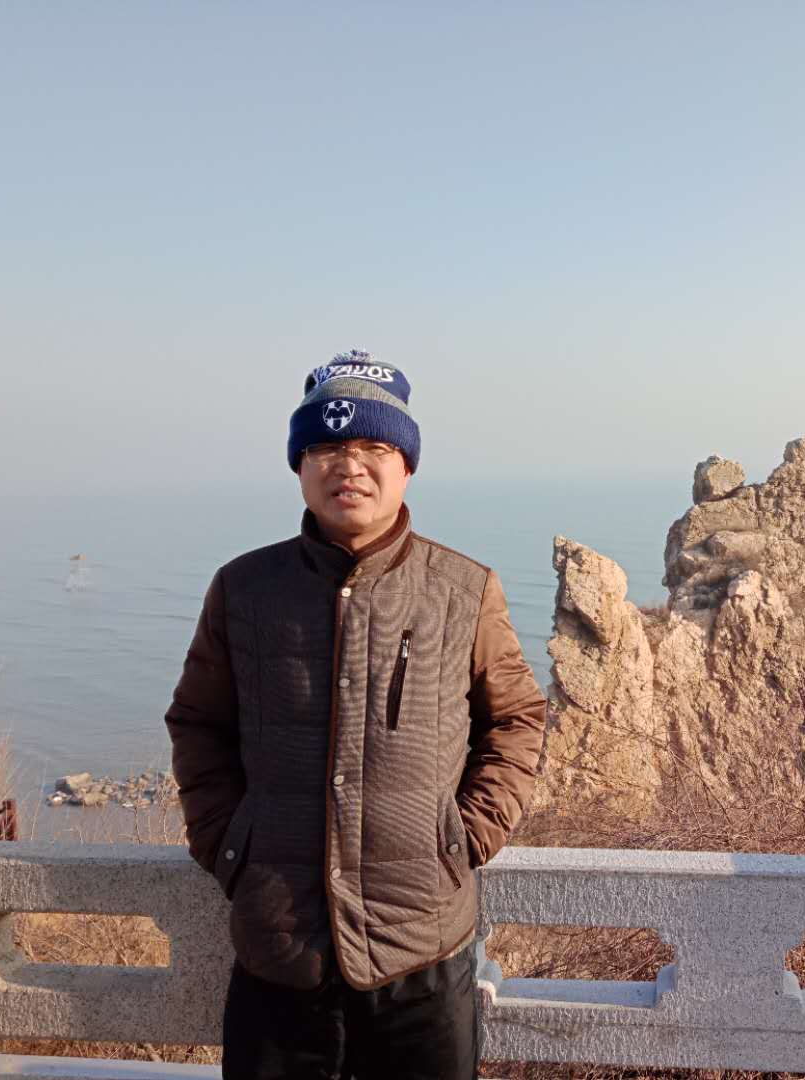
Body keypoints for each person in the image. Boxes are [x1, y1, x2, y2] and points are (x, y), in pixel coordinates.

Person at [165, 351, 547, 1079]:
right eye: (326, 448)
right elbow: (197, 723)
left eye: (373, 446)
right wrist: (227, 842)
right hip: (279, 948)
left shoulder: (463, 590)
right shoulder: (244, 589)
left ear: (406, 465)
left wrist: (465, 836)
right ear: (299, 467)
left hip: (422, 955)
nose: (349, 466)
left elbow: (517, 718)